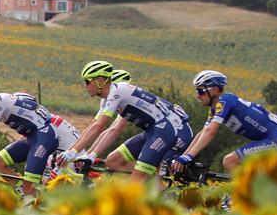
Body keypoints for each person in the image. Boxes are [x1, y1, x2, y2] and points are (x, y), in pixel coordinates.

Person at [57, 60, 192, 183]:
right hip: (151, 132)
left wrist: (73, 153)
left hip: (163, 131)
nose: (85, 86)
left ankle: (155, 196)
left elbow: (102, 127)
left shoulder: (118, 91)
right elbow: (93, 126)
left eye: (87, 81)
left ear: (99, 80)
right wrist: (84, 154)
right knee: (113, 160)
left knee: (138, 182)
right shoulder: (105, 100)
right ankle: (144, 188)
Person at [173, 70, 277, 175]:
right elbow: (203, 133)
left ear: (214, 90)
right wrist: (184, 156)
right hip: (270, 139)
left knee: (230, 161)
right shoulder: (214, 108)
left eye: (200, 91)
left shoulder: (225, 101)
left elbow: (211, 132)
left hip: (276, 140)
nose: (198, 96)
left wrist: (189, 156)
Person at [88, 69, 132, 156]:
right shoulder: (106, 98)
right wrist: (86, 153)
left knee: (113, 160)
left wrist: (90, 155)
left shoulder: (126, 100)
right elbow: (94, 124)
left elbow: (114, 130)